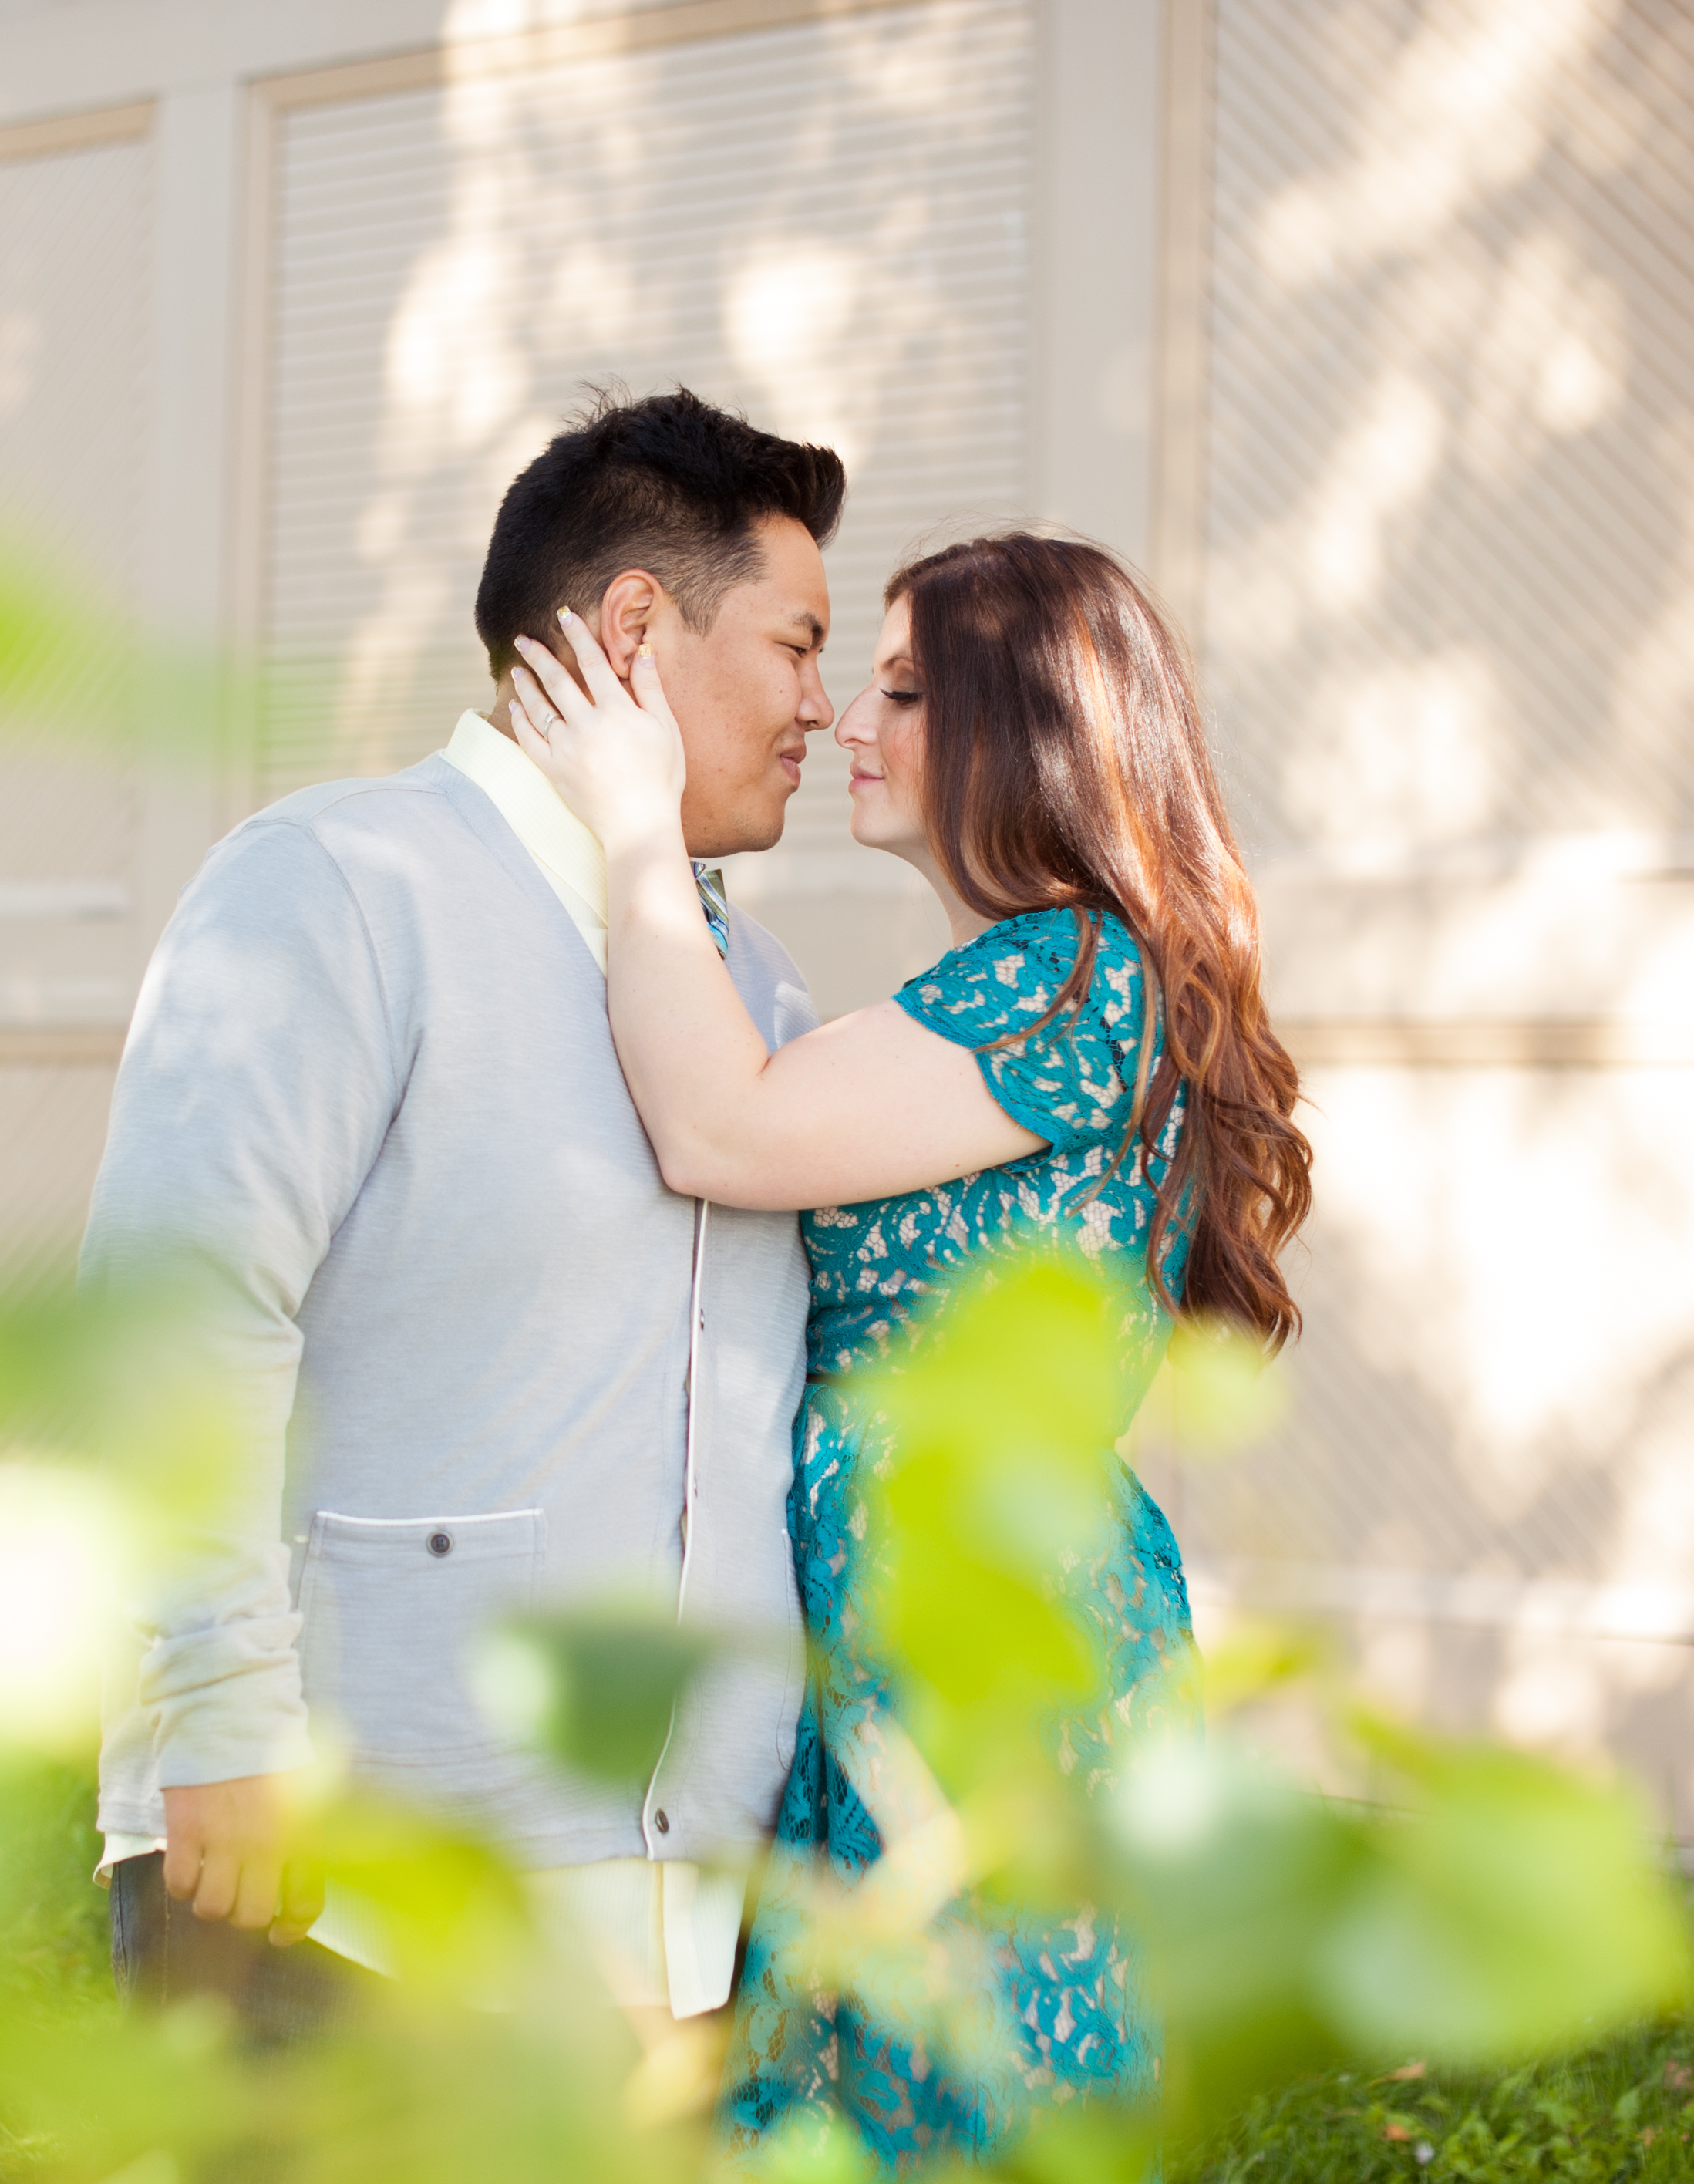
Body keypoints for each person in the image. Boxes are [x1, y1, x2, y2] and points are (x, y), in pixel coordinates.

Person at [503, 530, 1314, 2165]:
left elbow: (721, 1130)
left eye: (901, 687)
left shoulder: (1072, 974)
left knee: (962, 2094)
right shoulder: (1031, 981)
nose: (844, 720)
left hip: (971, 1627)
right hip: (916, 1604)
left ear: (1028, 730)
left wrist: (631, 825)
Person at [79, 388, 844, 2051]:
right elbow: (175, 1313)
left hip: (676, 1937)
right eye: (796, 646)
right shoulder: (337, 886)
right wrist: (219, 1728)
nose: (822, 705)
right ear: (636, 626)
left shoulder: (759, 994)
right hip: (339, 1883)